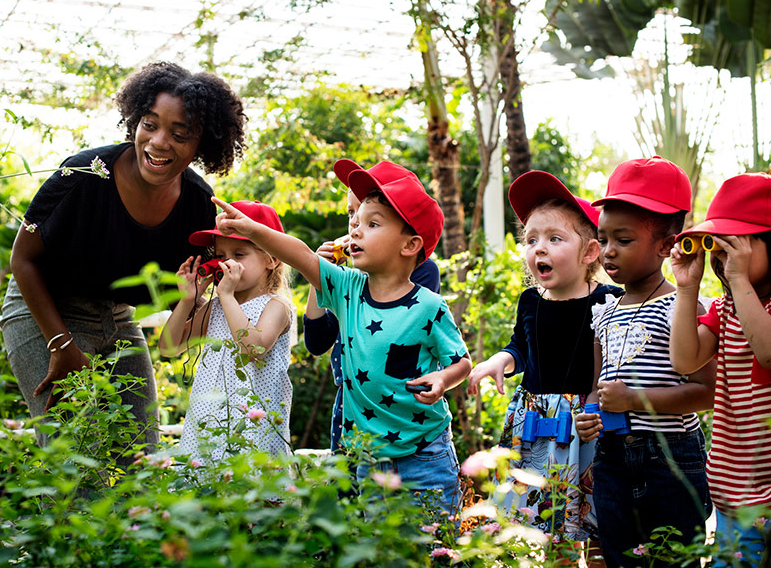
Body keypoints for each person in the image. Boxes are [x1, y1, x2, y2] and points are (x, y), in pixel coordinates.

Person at [0, 62, 247, 455]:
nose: (158, 141)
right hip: (43, 310)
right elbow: (22, 259)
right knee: (72, 456)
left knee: (143, 457)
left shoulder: (199, 204)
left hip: (115, 315)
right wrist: (61, 345)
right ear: (134, 120)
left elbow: (188, 299)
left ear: (203, 144)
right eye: (149, 124)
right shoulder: (82, 175)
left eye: (179, 134)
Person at [210, 165, 471, 518]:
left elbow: (461, 362)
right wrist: (253, 230)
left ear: (410, 244)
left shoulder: (428, 304)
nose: (355, 229)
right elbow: (300, 255)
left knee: (430, 548)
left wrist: (443, 379)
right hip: (368, 457)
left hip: (425, 455)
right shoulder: (346, 287)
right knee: (378, 549)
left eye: (371, 223)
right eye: (355, 219)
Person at [467, 171, 621, 565]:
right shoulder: (530, 301)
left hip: (589, 426)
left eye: (554, 238)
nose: (539, 248)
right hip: (536, 426)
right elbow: (522, 346)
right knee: (553, 528)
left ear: (590, 252)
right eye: (531, 239)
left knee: (599, 524)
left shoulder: (609, 300)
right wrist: (499, 360)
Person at [575, 156, 714, 568]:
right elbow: (599, 386)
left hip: (669, 459)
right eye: (604, 238)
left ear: (666, 246)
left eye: (624, 239)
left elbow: (704, 393)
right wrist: (589, 413)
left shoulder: (683, 307)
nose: (609, 251)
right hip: (611, 458)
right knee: (620, 558)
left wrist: (634, 399)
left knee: (674, 559)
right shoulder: (605, 311)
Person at [303, 158, 440, 453]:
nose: (354, 224)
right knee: (349, 491)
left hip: (400, 408)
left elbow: (401, 333)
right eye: (351, 213)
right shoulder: (346, 278)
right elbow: (316, 342)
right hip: (351, 401)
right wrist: (320, 276)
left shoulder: (423, 272)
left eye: (370, 220)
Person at [669, 172, 771, 568]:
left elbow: (766, 353)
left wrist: (740, 278)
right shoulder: (725, 309)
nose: (721, 260)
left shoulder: (750, 304)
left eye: (734, 246)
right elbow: (685, 360)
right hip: (730, 492)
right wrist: (686, 287)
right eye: (716, 247)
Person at [159, 200, 294, 462]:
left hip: (254, 432)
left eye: (239, 254)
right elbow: (169, 347)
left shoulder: (276, 307)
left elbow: (252, 348)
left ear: (272, 259)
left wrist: (227, 297)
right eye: (220, 256)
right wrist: (188, 300)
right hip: (208, 427)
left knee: (253, 497)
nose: (225, 263)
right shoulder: (217, 305)